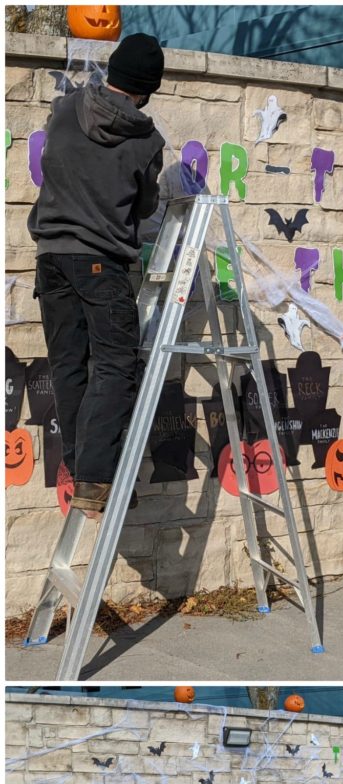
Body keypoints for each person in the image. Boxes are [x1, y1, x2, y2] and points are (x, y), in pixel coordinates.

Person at [28, 33, 165, 516]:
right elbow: (146, 206)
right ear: (148, 88)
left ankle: (76, 465)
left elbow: (51, 166)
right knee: (115, 364)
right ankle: (93, 478)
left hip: (50, 257)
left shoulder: (65, 110)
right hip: (100, 262)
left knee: (68, 364)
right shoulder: (147, 141)